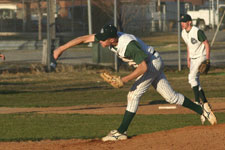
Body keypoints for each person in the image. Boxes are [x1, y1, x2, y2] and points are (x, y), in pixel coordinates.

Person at [53, 24, 217, 142]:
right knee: (171, 97)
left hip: (151, 63)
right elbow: (84, 38)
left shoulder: (128, 46)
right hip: (153, 60)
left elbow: (143, 67)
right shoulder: (111, 38)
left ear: (112, 40)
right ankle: (202, 110)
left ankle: (121, 132)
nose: (100, 41)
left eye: (103, 40)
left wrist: (123, 80)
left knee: (133, 95)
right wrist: (61, 48)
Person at [180, 14, 211, 109]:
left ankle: (197, 101)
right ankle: (205, 103)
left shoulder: (197, 31)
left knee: (191, 78)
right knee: (196, 81)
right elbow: (189, 45)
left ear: (189, 22)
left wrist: (207, 59)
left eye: (184, 22)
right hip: (193, 59)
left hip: (201, 56)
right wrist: (188, 58)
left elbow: (206, 44)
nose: (182, 24)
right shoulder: (183, 33)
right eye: (181, 22)